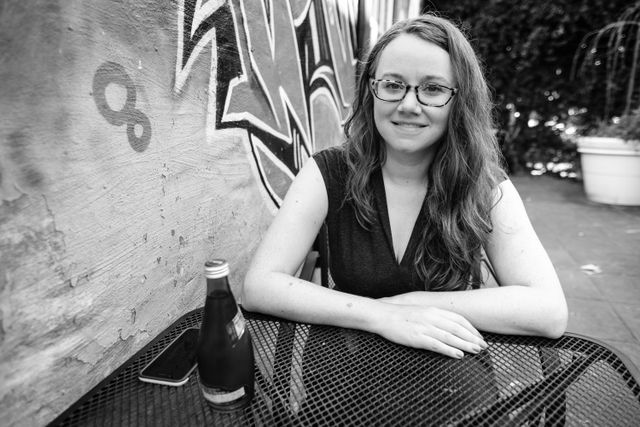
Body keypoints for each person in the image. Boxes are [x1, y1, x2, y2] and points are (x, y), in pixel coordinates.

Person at [242, 13, 568, 360]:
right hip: (347, 375)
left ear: (460, 100)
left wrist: (413, 304)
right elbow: (259, 286)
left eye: (433, 88)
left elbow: (548, 311)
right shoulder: (328, 172)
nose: (409, 105)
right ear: (372, 90)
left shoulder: (484, 185)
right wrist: (382, 316)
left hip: (451, 376)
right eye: (393, 85)